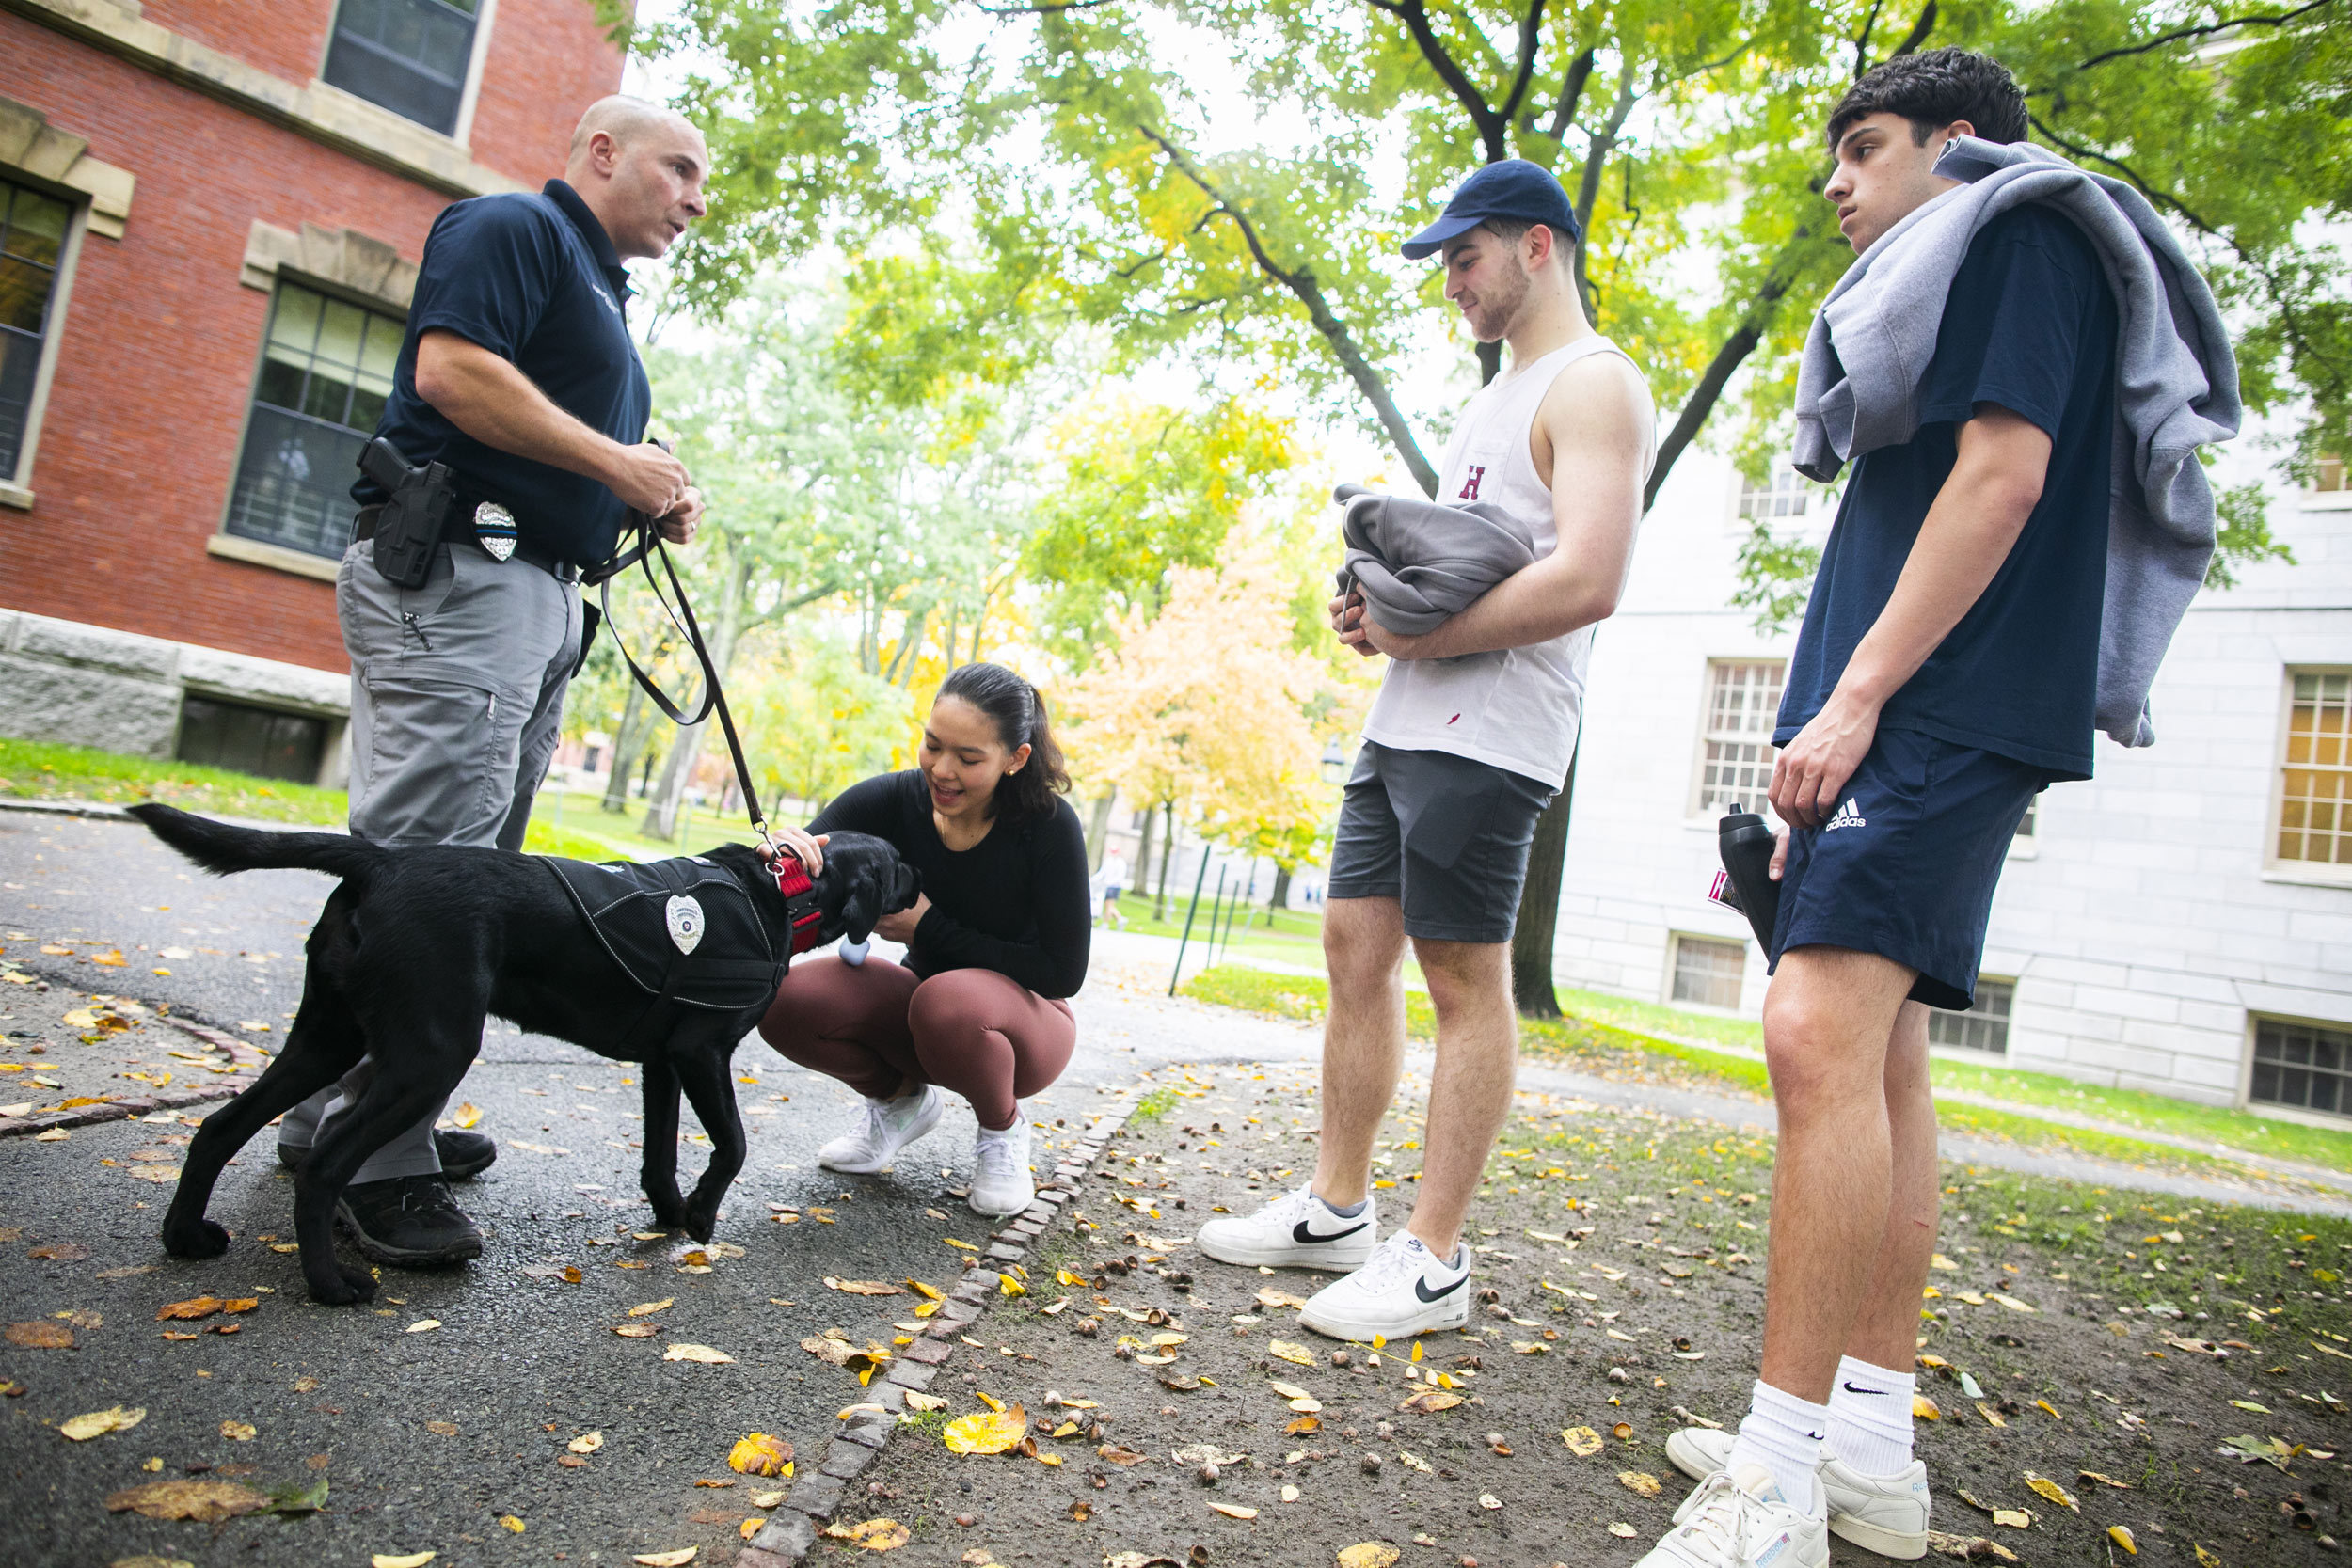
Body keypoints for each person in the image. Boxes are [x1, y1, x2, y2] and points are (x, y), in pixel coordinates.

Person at [1637, 48, 2233, 1567]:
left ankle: (1775, 1482)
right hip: (1929, 707)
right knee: (1886, 1055)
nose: (1839, 181)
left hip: (1937, 709)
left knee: (1815, 1035)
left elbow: (2005, 477)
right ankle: (1866, 1450)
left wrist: (1856, 697)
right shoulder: (1982, 256)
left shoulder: (2021, 224)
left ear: (1955, 145)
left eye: (1867, 146)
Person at [1196, 159, 1654, 1340]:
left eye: (1465, 255)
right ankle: (1335, 1210)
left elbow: (1589, 576)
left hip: (1493, 733)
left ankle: (1434, 1259)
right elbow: (1468, 552)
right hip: (1408, 715)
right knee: (1354, 946)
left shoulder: (1593, 384)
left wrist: (1430, 628)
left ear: (1538, 247)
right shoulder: (1494, 393)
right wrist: (1377, 610)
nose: (1450, 279)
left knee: (1461, 977)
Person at [274, 97, 710, 1269]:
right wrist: (620, 460)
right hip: (459, 575)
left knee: (446, 879)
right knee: (425, 872)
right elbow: (455, 375)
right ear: (601, 153)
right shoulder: (513, 228)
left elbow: (549, 431)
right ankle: (378, 1159)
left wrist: (641, 494)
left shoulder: (592, 286)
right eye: (680, 169)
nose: (694, 198)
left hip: (528, 597)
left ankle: (343, 1111)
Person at [757, 663, 1091, 1217]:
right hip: (925, 1008)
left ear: (1016, 759)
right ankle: (899, 1102)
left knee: (946, 1001)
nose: (942, 769)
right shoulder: (895, 799)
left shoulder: (1049, 826)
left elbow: (1063, 972)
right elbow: (810, 866)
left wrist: (928, 929)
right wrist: (783, 856)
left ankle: (1002, 1132)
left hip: (1027, 1026)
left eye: (968, 758)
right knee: (784, 997)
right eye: (932, 745)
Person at [1097, 846, 1129, 930]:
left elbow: (1120, 876)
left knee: (1109, 905)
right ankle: (1117, 920)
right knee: (1108, 905)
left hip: (1115, 886)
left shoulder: (1121, 863)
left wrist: (1110, 882)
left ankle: (1109, 922)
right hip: (1107, 886)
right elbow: (1102, 873)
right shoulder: (1108, 861)